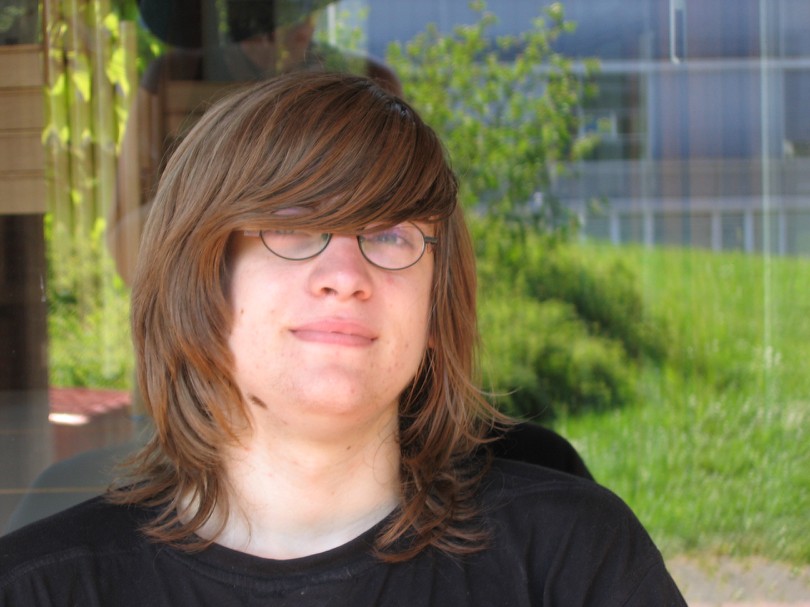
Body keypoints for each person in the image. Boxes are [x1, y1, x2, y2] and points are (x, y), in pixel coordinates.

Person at [0, 72, 686, 605]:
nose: (346, 276)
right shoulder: (42, 588)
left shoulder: (572, 558)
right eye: (291, 225)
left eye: (389, 235)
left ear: (435, 304)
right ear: (200, 280)